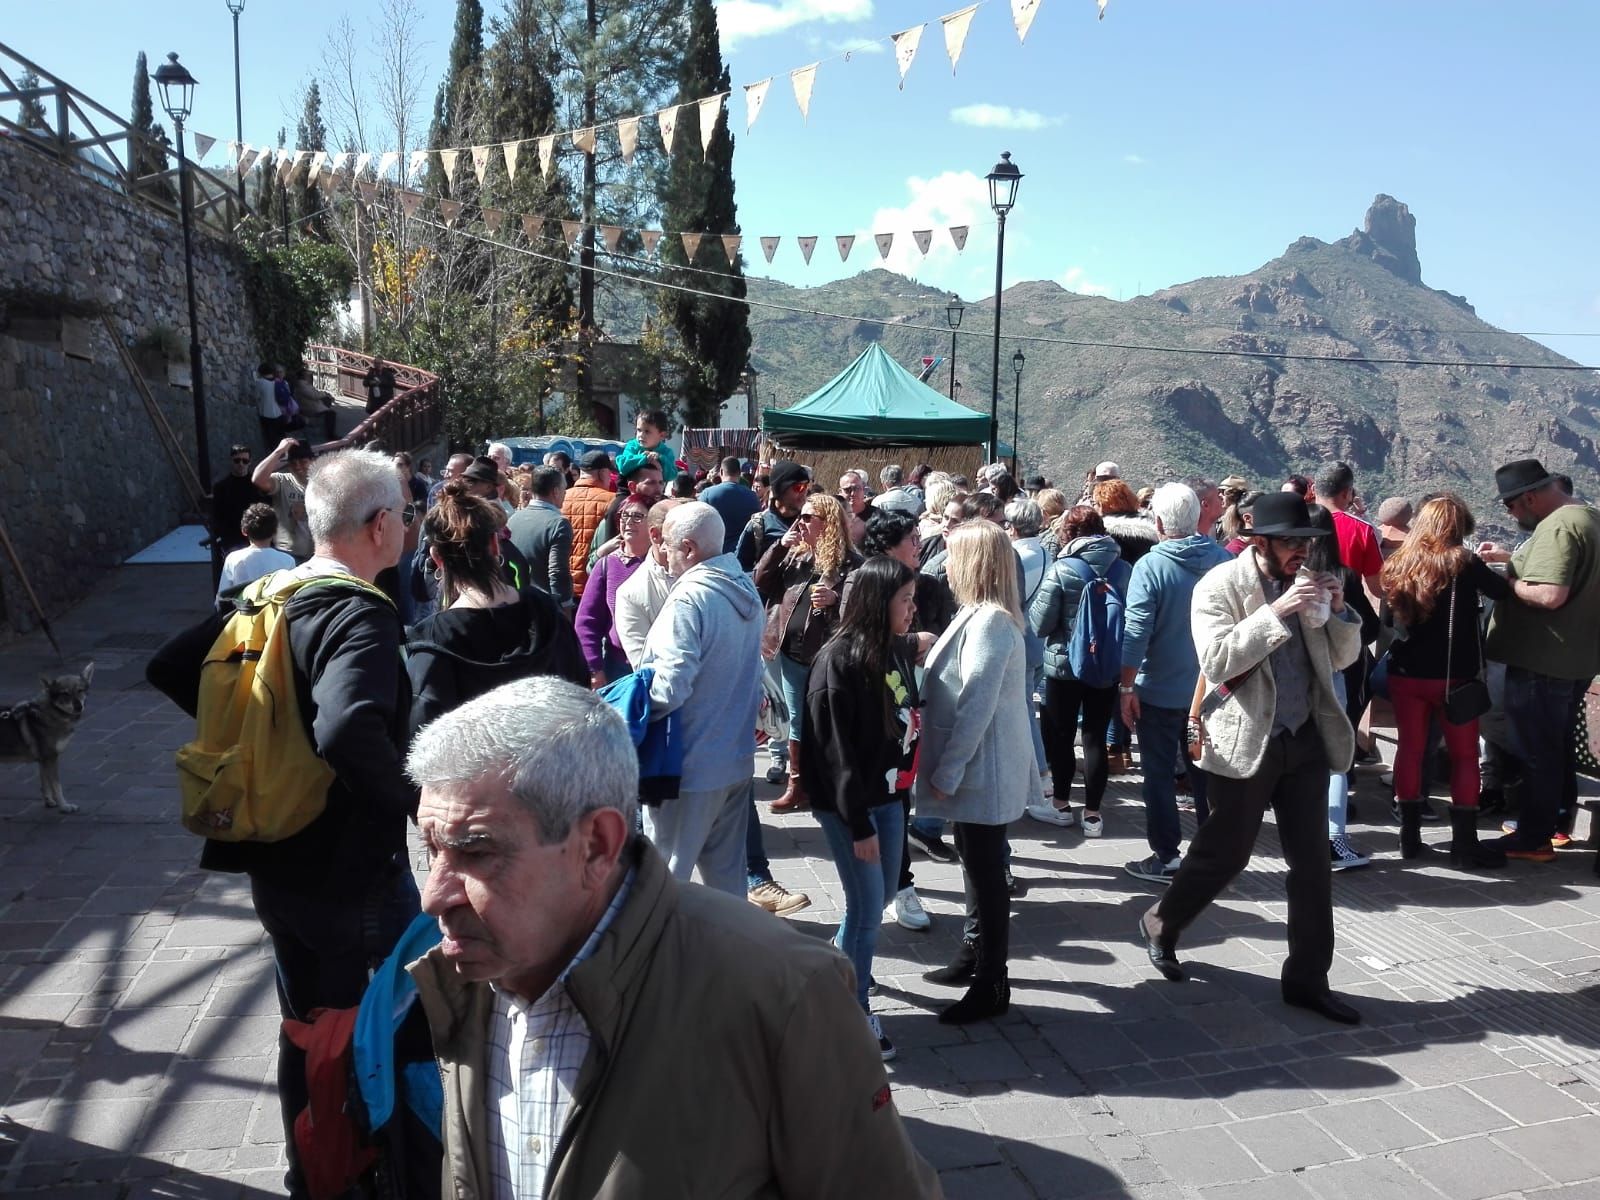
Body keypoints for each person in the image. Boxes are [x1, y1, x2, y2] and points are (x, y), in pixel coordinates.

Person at [405, 677, 940, 1199]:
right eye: (431, 850)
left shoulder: (782, 994)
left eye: (476, 853)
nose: (434, 897)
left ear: (596, 845)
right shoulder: (463, 975)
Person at [147, 449, 423, 1197]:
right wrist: (422, 805)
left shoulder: (268, 590)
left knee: (304, 1027)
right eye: (405, 512)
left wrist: (259, 748)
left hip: (273, 859)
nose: (409, 524)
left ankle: (312, 1170)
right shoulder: (358, 612)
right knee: (372, 1037)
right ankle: (358, 1174)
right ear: (378, 525)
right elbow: (349, 730)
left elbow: (171, 668)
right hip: (350, 871)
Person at [1137, 492, 1363, 1025]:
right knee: (1226, 854)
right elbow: (1216, 659)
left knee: (1311, 865)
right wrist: (1276, 612)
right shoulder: (1218, 584)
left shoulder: (1308, 580)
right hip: (1244, 741)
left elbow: (1341, 657)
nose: (1302, 554)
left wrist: (1340, 612)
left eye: (1307, 543)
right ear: (1258, 541)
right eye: (1290, 543)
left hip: (1303, 738)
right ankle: (1163, 922)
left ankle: (1308, 980)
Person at [915, 520, 1043, 1025]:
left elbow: (976, 705)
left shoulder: (989, 620)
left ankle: (993, 979)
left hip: (981, 771)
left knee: (987, 874)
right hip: (980, 768)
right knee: (975, 863)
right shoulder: (980, 614)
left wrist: (947, 771)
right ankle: (974, 956)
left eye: (951, 555)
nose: (944, 565)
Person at [803, 556, 921, 1060]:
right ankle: (852, 1012)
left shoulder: (890, 649)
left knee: (874, 902)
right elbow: (835, 755)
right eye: (905, 601)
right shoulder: (838, 662)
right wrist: (858, 825)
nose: (913, 610)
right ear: (878, 604)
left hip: (890, 797)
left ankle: (835, 972)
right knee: (868, 908)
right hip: (853, 808)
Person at [1377, 494, 1510, 868]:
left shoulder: (1398, 562)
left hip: (1406, 677)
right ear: (1457, 526)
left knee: (1410, 751)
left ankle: (1410, 839)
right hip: (1455, 677)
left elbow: (1388, 623)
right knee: (1465, 756)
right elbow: (1502, 592)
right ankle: (1464, 844)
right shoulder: (1463, 563)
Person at [639, 503, 764, 895]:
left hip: (687, 768)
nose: (665, 556)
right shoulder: (745, 588)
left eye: (670, 547)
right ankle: (728, 956)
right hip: (736, 761)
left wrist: (632, 711)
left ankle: (657, 956)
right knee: (727, 883)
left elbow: (671, 686)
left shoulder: (689, 600)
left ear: (689, 548)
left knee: (662, 881)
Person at [1480, 458, 1600, 863]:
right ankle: (1554, 824)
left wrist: (1508, 582)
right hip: (1575, 659)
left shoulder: (1557, 528)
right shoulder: (1588, 518)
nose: (1512, 515)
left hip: (1541, 661)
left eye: (1511, 507)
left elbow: (1549, 595)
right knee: (1556, 747)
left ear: (1529, 497)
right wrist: (1510, 560)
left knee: (1535, 751)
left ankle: (1533, 836)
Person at [1115, 484, 1234, 872]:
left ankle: (1166, 856)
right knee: (1207, 775)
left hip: (1159, 691)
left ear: (1160, 522)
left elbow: (1136, 632)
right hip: (1211, 693)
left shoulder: (1150, 567)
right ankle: (1213, 854)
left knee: (1159, 775)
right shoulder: (1222, 562)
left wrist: (1127, 685)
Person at [406, 482, 587, 735]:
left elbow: (422, 737)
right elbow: (582, 696)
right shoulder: (546, 613)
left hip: (478, 772)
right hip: (554, 766)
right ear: (494, 543)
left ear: (437, 558)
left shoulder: (433, 640)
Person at [853, 509, 954, 931]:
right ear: (889, 544)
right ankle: (893, 888)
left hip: (915, 704)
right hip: (876, 710)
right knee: (883, 797)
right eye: (912, 538)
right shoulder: (867, 581)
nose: (920, 544)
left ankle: (897, 881)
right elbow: (862, 636)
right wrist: (913, 640)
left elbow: (941, 633)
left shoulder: (929, 585)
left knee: (901, 793)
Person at [755, 492, 861, 814]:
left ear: (827, 524)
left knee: (827, 722)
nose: (799, 522)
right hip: (790, 654)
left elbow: (859, 610)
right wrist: (780, 546)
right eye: (799, 516)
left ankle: (827, 784)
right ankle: (797, 785)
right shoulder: (794, 556)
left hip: (827, 658)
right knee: (798, 722)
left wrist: (835, 598)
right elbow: (759, 580)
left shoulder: (850, 563)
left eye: (807, 517)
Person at [1028, 506, 1129, 834]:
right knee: (1095, 736)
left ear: (1068, 535)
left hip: (1064, 666)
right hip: (1106, 667)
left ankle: (1060, 805)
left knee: (1061, 735)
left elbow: (1041, 624)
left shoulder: (1061, 570)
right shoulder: (1124, 569)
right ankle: (1094, 815)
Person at [575, 496, 650, 686]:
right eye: (624, 516)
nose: (628, 522)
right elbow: (587, 621)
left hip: (658, 664)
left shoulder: (665, 565)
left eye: (638, 516)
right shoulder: (607, 564)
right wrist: (594, 668)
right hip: (618, 667)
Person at [506, 465, 574, 610]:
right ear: (555, 491)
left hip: (515, 603)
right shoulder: (558, 523)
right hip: (545, 609)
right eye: (564, 489)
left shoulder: (513, 519)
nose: (565, 493)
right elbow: (557, 571)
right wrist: (565, 606)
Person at [216, 503, 295, 607]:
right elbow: (291, 597)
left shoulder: (233, 559)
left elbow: (222, 597)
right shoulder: (287, 560)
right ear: (275, 531)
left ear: (244, 531)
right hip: (275, 618)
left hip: (242, 615)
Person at [252, 437, 316, 561]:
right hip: (287, 554)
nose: (298, 467)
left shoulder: (322, 482)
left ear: (312, 461)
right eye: (293, 463)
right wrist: (279, 451)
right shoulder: (283, 481)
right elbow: (258, 479)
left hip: (316, 555)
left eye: (303, 462)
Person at [562, 451, 616, 597]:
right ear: (604, 473)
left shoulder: (561, 497)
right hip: (592, 584)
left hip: (561, 582)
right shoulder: (612, 501)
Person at [701, 455, 763, 552]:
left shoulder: (707, 494)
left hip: (713, 553)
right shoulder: (753, 496)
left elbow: (700, 523)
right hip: (742, 553)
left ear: (721, 472)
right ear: (739, 473)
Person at [211, 443, 261, 555]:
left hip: (255, 536)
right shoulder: (221, 487)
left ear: (250, 462)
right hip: (232, 539)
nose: (241, 464)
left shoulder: (257, 485)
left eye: (245, 461)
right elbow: (217, 515)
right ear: (231, 461)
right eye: (237, 460)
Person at [615, 408, 679, 483]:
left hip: (654, 490)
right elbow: (623, 466)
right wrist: (645, 458)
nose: (641, 435)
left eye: (647, 431)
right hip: (629, 490)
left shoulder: (666, 452)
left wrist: (660, 459)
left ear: (662, 435)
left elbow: (672, 476)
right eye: (639, 430)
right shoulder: (633, 446)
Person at [291, 366, 338, 443]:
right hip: (309, 408)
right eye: (308, 375)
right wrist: (324, 394)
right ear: (304, 376)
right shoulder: (302, 386)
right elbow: (314, 395)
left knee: (327, 402)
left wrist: (325, 395)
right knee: (331, 414)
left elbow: (315, 394)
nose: (310, 377)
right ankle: (331, 435)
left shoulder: (304, 384)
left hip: (311, 405)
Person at [252, 362, 285, 450]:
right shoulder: (279, 382)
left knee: (270, 440)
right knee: (280, 438)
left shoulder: (260, 383)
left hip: (266, 414)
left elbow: (256, 397)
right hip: (279, 413)